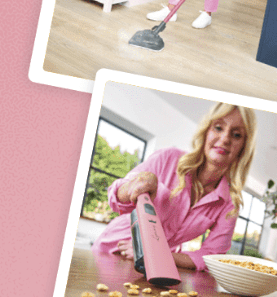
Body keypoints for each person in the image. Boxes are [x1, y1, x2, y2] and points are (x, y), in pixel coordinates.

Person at [93, 103, 257, 272]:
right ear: (206, 131)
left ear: (244, 147)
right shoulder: (168, 159)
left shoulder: (229, 204)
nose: (225, 139)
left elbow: (212, 256)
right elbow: (114, 198)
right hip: (110, 252)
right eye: (218, 128)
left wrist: (158, 254)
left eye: (237, 135)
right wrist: (135, 185)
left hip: (156, 268)